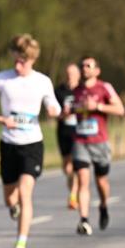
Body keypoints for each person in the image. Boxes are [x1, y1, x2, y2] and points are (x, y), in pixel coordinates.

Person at [0, 34, 61, 248]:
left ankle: (21, 244)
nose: (17, 65)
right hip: (9, 144)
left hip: (32, 144)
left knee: (25, 192)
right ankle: (13, 208)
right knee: (10, 198)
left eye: (22, 61)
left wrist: (53, 109)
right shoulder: (2, 79)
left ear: (32, 59)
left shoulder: (42, 81)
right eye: (14, 60)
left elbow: (53, 104)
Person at [68, 56, 125, 235]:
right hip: (80, 141)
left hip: (99, 142)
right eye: (82, 66)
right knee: (83, 180)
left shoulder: (104, 87)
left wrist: (98, 106)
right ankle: (84, 219)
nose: (84, 68)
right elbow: (68, 111)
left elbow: (120, 109)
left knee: (101, 181)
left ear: (96, 70)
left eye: (88, 66)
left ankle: (103, 205)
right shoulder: (76, 91)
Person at [54, 63, 82, 210]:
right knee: (67, 167)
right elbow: (52, 112)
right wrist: (63, 114)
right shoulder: (59, 91)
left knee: (75, 164)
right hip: (64, 130)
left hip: (79, 130)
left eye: (73, 73)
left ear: (78, 75)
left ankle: (73, 195)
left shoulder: (83, 90)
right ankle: (73, 191)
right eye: (68, 73)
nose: (70, 76)